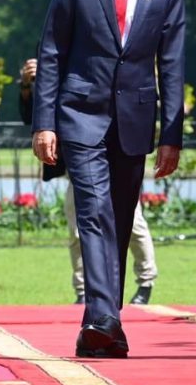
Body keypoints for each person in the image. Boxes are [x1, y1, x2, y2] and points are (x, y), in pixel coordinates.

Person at [31, 0, 185, 359]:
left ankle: (101, 326)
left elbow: (172, 61)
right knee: (94, 212)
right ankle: (103, 317)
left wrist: (171, 136)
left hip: (136, 120)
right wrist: (45, 122)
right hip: (80, 116)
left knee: (118, 219)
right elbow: (52, 50)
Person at [20, 57, 160, 307]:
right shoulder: (51, 57)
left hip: (111, 150)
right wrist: (29, 85)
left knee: (132, 224)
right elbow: (30, 116)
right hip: (77, 159)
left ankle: (145, 280)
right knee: (77, 228)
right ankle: (84, 289)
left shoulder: (94, 55)